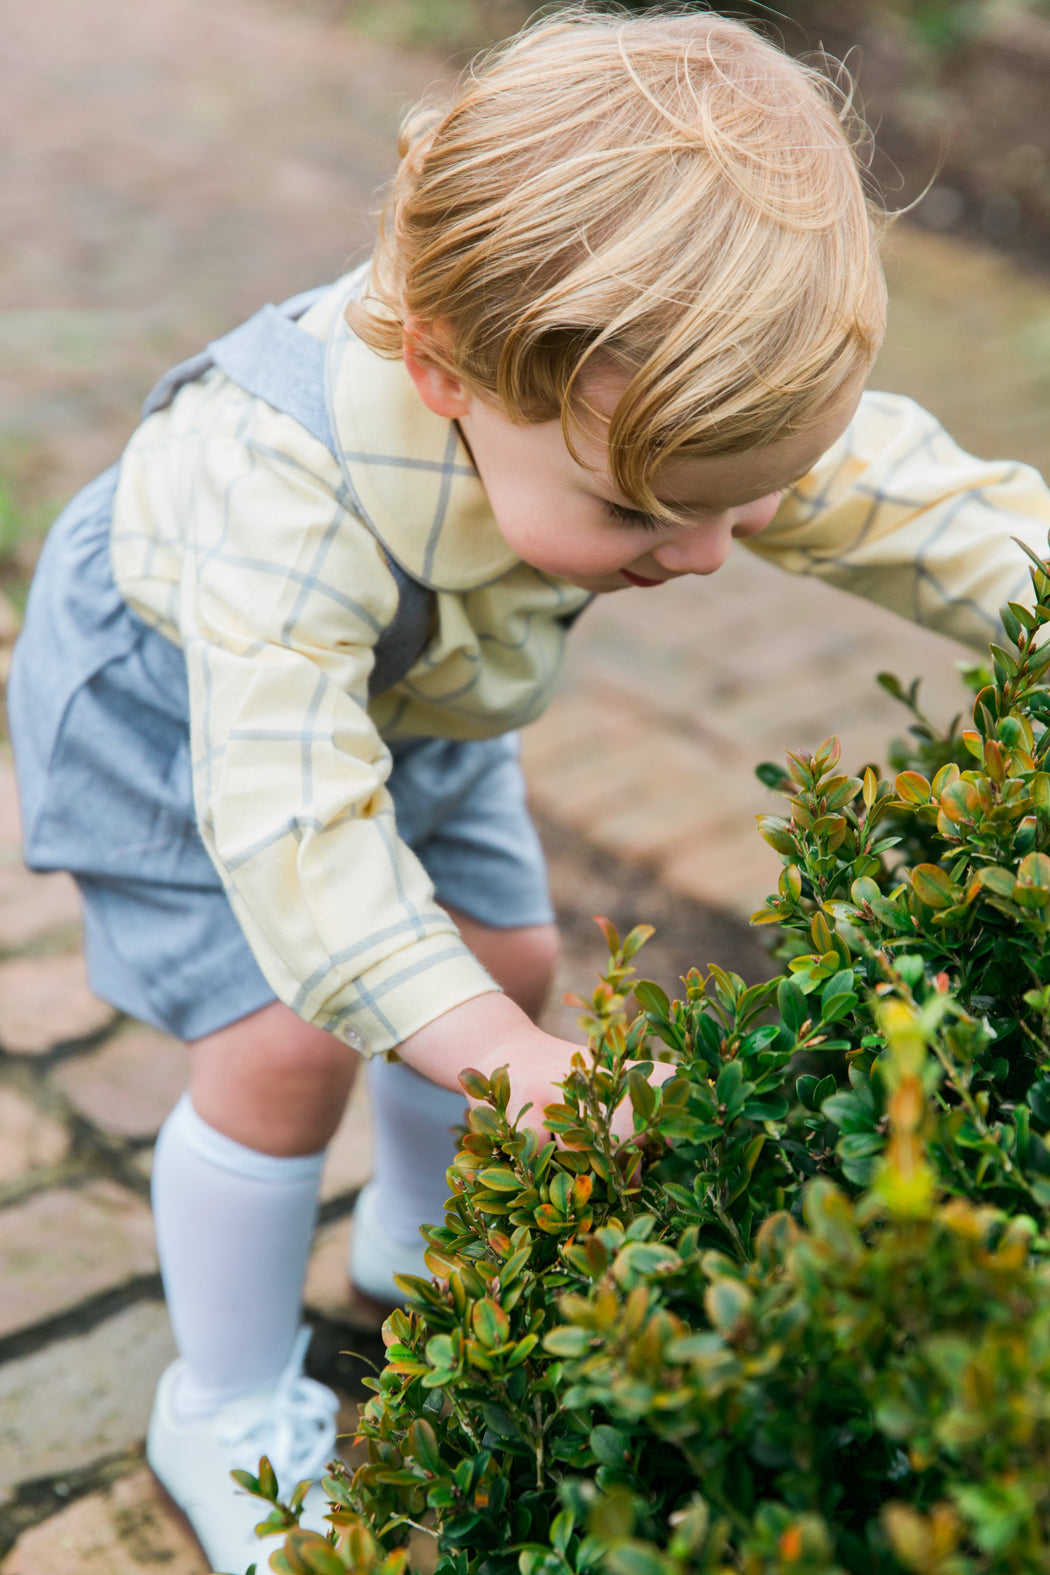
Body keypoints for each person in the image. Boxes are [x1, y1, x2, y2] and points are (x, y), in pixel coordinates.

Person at [9, 5, 1050, 1570]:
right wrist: (510, 1063)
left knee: (503, 961)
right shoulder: (274, 495)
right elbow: (301, 838)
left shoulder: (657, 403)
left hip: (407, 697)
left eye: (735, 498)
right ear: (441, 372)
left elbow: (915, 506)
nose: (705, 552)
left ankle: (418, 1254)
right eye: (644, 509)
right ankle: (219, 1403)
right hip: (187, 715)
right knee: (286, 1037)